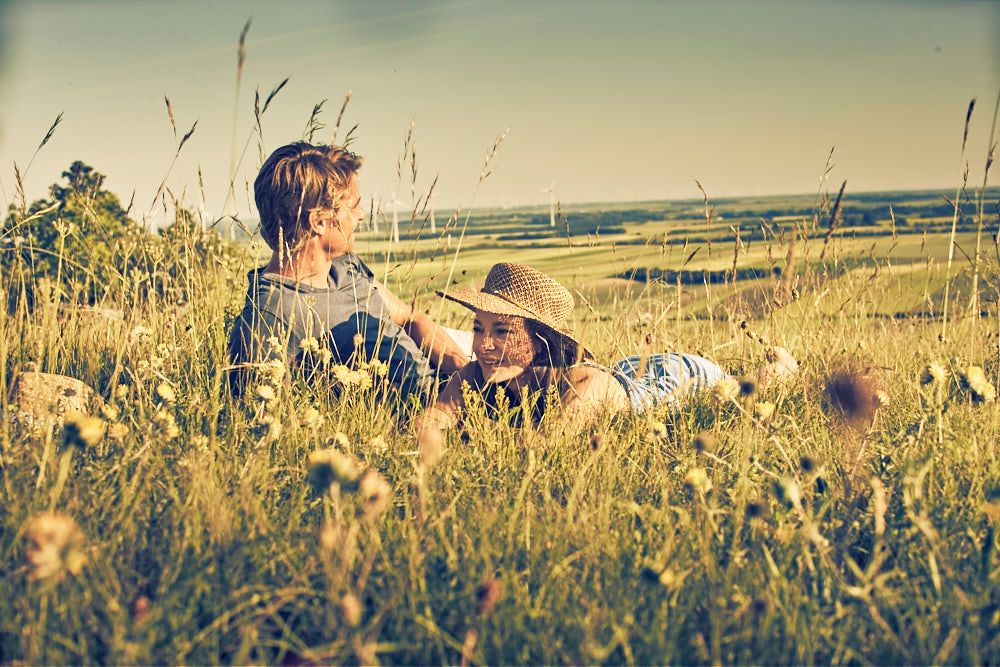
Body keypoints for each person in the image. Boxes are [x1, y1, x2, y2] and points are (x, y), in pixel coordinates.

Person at [414, 262, 797, 438]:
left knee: (743, 392)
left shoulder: (585, 385)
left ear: (540, 339)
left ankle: (783, 365)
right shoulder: (475, 375)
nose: (483, 345)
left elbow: (545, 446)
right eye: (478, 328)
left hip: (671, 381)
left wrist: (465, 433)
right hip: (624, 369)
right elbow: (428, 423)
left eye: (502, 331)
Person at [227, 142, 469, 400]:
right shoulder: (268, 318)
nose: (361, 215)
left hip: (452, 373)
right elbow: (260, 411)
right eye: (353, 206)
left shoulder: (344, 266)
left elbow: (410, 318)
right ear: (318, 221)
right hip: (433, 409)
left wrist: (465, 371)